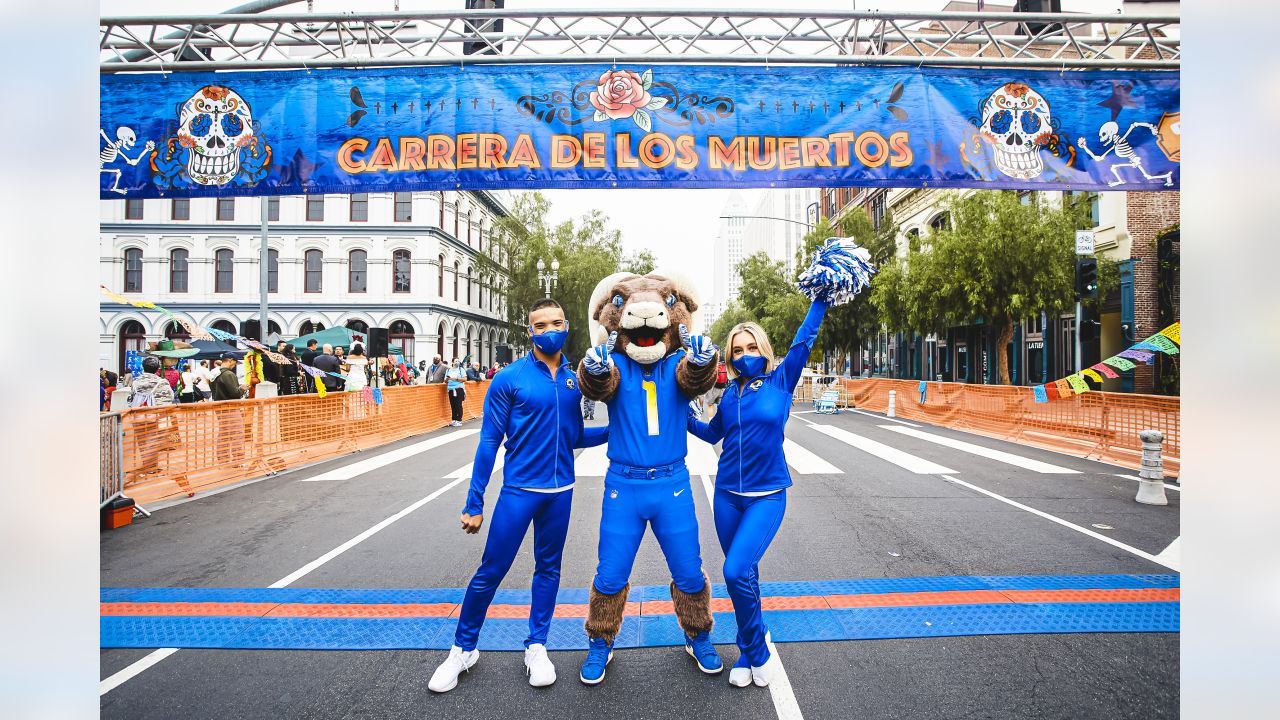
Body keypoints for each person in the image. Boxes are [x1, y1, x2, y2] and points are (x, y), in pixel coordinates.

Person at [686, 238, 869, 689]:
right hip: (727, 495)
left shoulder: (781, 381)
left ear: (763, 350)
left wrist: (820, 299)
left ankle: (759, 651)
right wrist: (686, 417)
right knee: (743, 575)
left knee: (733, 571)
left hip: (767, 495)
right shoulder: (728, 395)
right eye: (736, 349)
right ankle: (749, 650)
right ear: (730, 358)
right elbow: (713, 435)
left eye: (750, 346)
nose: (743, 353)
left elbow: (805, 338)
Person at [428, 298, 608, 692]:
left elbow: (576, 436)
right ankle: (463, 649)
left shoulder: (573, 380)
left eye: (556, 323)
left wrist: (617, 431)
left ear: (567, 325)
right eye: (540, 325)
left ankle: (537, 646)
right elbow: (489, 442)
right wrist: (473, 502)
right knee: (490, 571)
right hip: (519, 491)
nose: (549, 330)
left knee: (548, 570)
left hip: (561, 492)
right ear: (530, 331)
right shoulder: (509, 378)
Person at [445, 359, 468, 426]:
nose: (457, 362)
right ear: (452, 362)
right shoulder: (448, 370)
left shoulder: (461, 369)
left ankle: (459, 420)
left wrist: (456, 379)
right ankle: (454, 419)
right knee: (453, 405)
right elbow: (445, 381)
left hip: (458, 389)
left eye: (458, 361)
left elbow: (465, 379)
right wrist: (448, 379)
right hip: (450, 389)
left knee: (458, 404)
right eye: (455, 361)